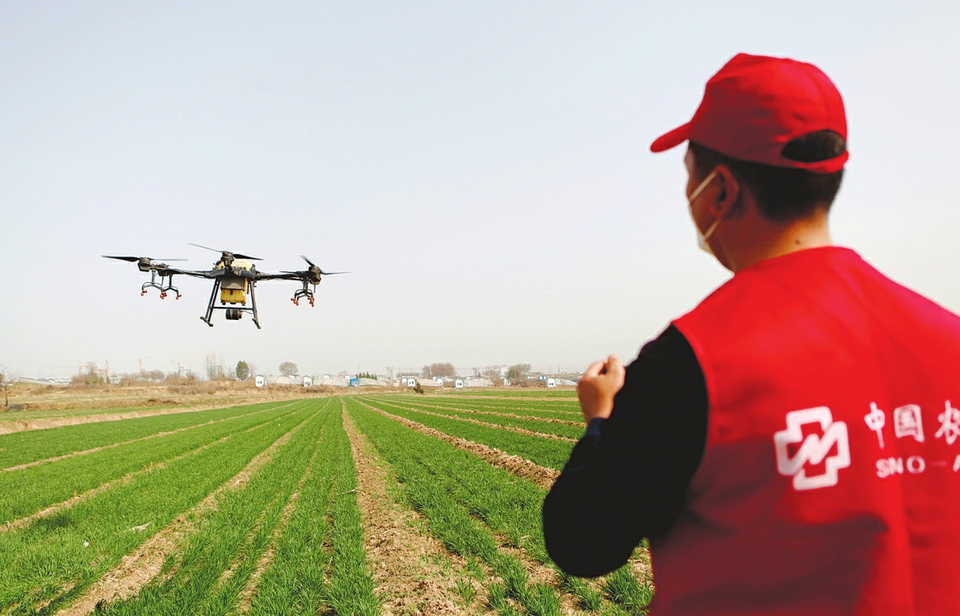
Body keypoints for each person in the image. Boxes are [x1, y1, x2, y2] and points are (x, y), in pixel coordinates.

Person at [542, 53, 960, 615]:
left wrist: (602, 423)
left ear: (720, 190)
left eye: (688, 175)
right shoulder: (947, 336)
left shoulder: (692, 362)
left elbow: (582, 541)